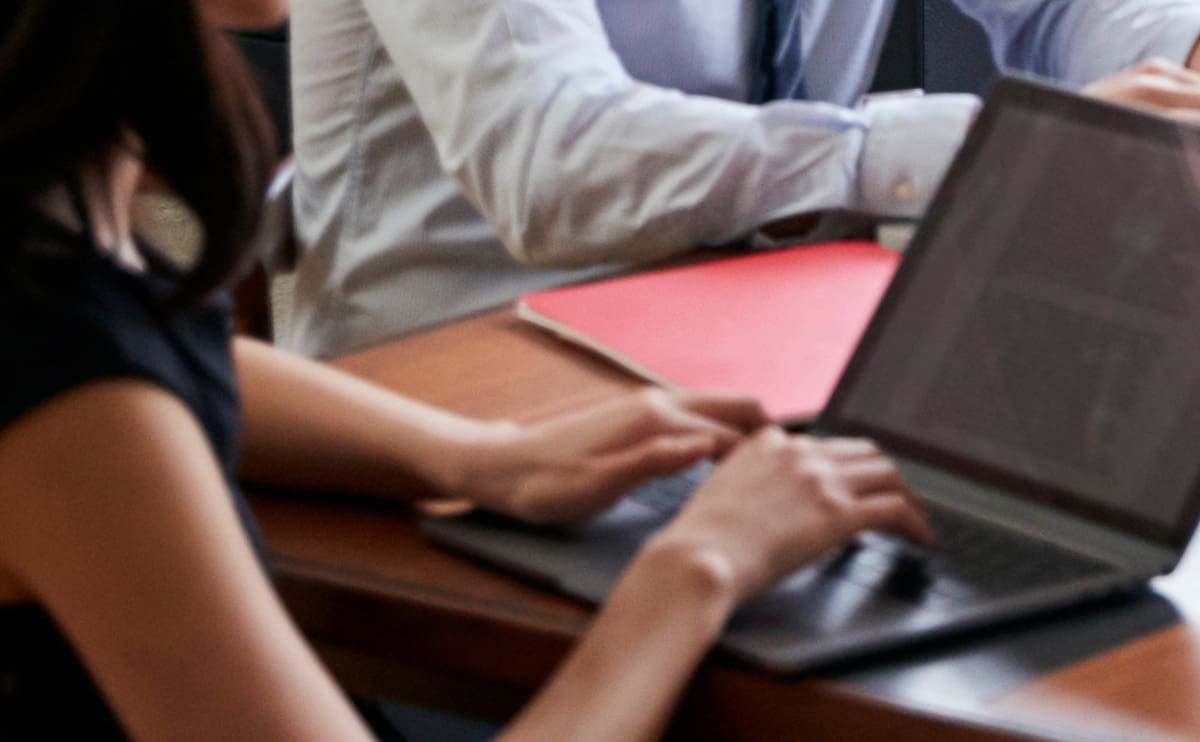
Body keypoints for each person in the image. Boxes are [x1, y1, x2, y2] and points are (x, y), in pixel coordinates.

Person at [0, 1, 933, 738]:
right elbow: (97, 413)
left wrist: (475, 457)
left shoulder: (58, 229)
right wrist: (696, 566)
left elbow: (179, 369)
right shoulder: (66, 374)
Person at [285, 0, 1200, 358]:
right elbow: (551, 158)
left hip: (780, 358)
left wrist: (1185, 62)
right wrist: (983, 155)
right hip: (464, 387)